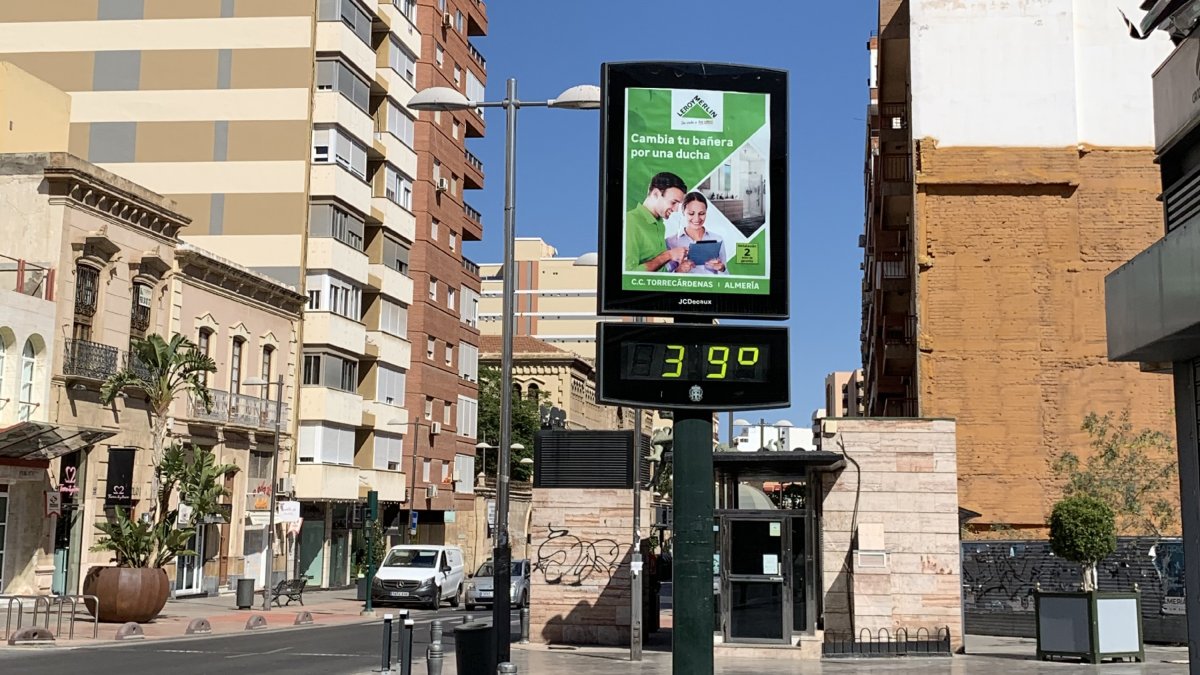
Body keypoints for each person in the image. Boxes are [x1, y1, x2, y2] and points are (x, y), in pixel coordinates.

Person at [625, 171, 688, 272]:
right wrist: (668, 255)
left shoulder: (660, 224)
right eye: (673, 202)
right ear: (656, 194)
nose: (676, 210)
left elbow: (658, 272)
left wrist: (677, 270)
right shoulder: (630, 221)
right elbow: (629, 275)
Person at [666, 192, 727, 274]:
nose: (696, 219)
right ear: (683, 212)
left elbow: (726, 276)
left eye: (702, 213)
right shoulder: (670, 242)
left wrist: (722, 268)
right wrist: (679, 271)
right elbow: (665, 278)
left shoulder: (718, 239)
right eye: (691, 213)